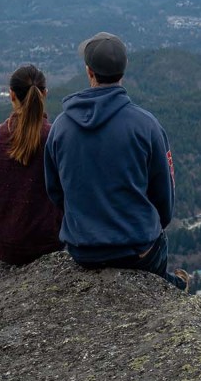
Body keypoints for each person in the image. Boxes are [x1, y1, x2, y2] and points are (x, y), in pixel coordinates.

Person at [44, 32, 188, 289]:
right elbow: (164, 199)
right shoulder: (146, 126)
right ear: (123, 71)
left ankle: (172, 285)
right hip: (137, 251)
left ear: (89, 72)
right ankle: (173, 287)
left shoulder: (60, 127)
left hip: (82, 249)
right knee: (159, 261)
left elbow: (55, 191)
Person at [0, 64, 63, 265]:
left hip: (1, 241)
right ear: (44, 93)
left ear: (11, 95)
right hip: (46, 241)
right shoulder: (56, 137)